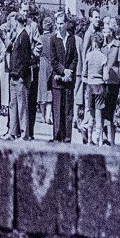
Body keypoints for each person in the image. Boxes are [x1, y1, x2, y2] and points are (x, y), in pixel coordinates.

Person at [5, 12, 35, 139]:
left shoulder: (24, 36)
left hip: (19, 77)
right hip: (14, 75)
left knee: (22, 106)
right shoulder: (17, 36)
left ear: (17, 22)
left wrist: (21, 75)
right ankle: (12, 132)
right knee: (13, 105)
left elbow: (25, 59)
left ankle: (24, 134)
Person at [49, 14, 78, 142]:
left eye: (62, 23)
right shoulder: (54, 39)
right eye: (58, 24)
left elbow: (75, 57)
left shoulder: (71, 39)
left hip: (68, 80)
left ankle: (67, 138)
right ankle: (57, 136)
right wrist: (63, 70)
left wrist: (70, 71)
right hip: (57, 80)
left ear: (66, 24)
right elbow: (53, 60)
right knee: (57, 110)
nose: (60, 26)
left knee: (68, 110)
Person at [81, 31, 108, 145]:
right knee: (99, 114)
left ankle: (89, 138)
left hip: (90, 85)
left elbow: (84, 73)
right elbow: (106, 76)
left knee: (90, 113)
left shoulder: (88, 56)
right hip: (99, 85)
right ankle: (98, 139)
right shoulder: (103, 57)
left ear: (94, 43)